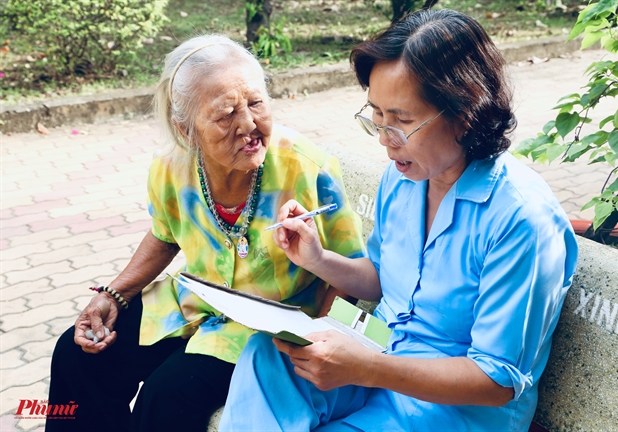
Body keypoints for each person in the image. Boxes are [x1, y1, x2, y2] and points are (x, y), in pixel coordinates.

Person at [219, 9, 579, 431]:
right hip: (381, 356)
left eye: (402, 122)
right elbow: (384, 277)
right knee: (267, 357)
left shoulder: (522, 220)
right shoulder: (406, 177)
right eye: (377, 118)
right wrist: (317, 258)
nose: (387, 143)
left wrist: (368, 369)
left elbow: (497, 381)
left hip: (451, 410)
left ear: (466, 111)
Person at [45, 35, 365, 432]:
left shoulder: (306, 168)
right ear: (186, 130)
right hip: (195, 303)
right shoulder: (170, 169)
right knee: (77, 355)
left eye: (256, 103)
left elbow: (352, 269)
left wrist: (320, 340)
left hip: (266, 329)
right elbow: (164, 236)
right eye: (226, 113)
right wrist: (115, 294)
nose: (248, 124)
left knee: (168, 395)